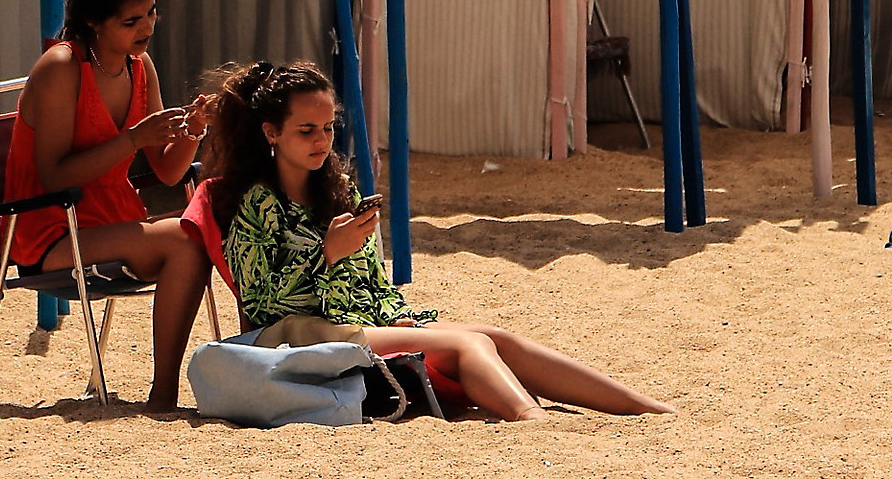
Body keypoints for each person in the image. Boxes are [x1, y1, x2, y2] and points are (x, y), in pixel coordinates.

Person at [189, 59, 673, 421]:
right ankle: (532, 420)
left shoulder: (338, 191)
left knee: (496, 337)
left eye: (329, 128)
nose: (322, 140)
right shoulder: (257, 204)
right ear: (271, 133)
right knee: (468, 347)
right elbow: (260, 305)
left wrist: (397, 316)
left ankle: (641, 408)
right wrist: (323, 257)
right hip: (299, 333)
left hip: (360, 321)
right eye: (307, 130)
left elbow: (371, 281)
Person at [2, 0, 213, 410]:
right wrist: (133, 139)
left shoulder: (140, 66)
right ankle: (164, 393)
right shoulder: (61, 68)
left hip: (108, 220)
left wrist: (193, 130)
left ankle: (180, 385)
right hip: (49, 231)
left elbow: (167, 171)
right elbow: (52, 175)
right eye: (131, 20)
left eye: (152, 12)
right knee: (186, 238)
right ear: (96, 22)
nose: (147, 27)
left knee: (203, 230)